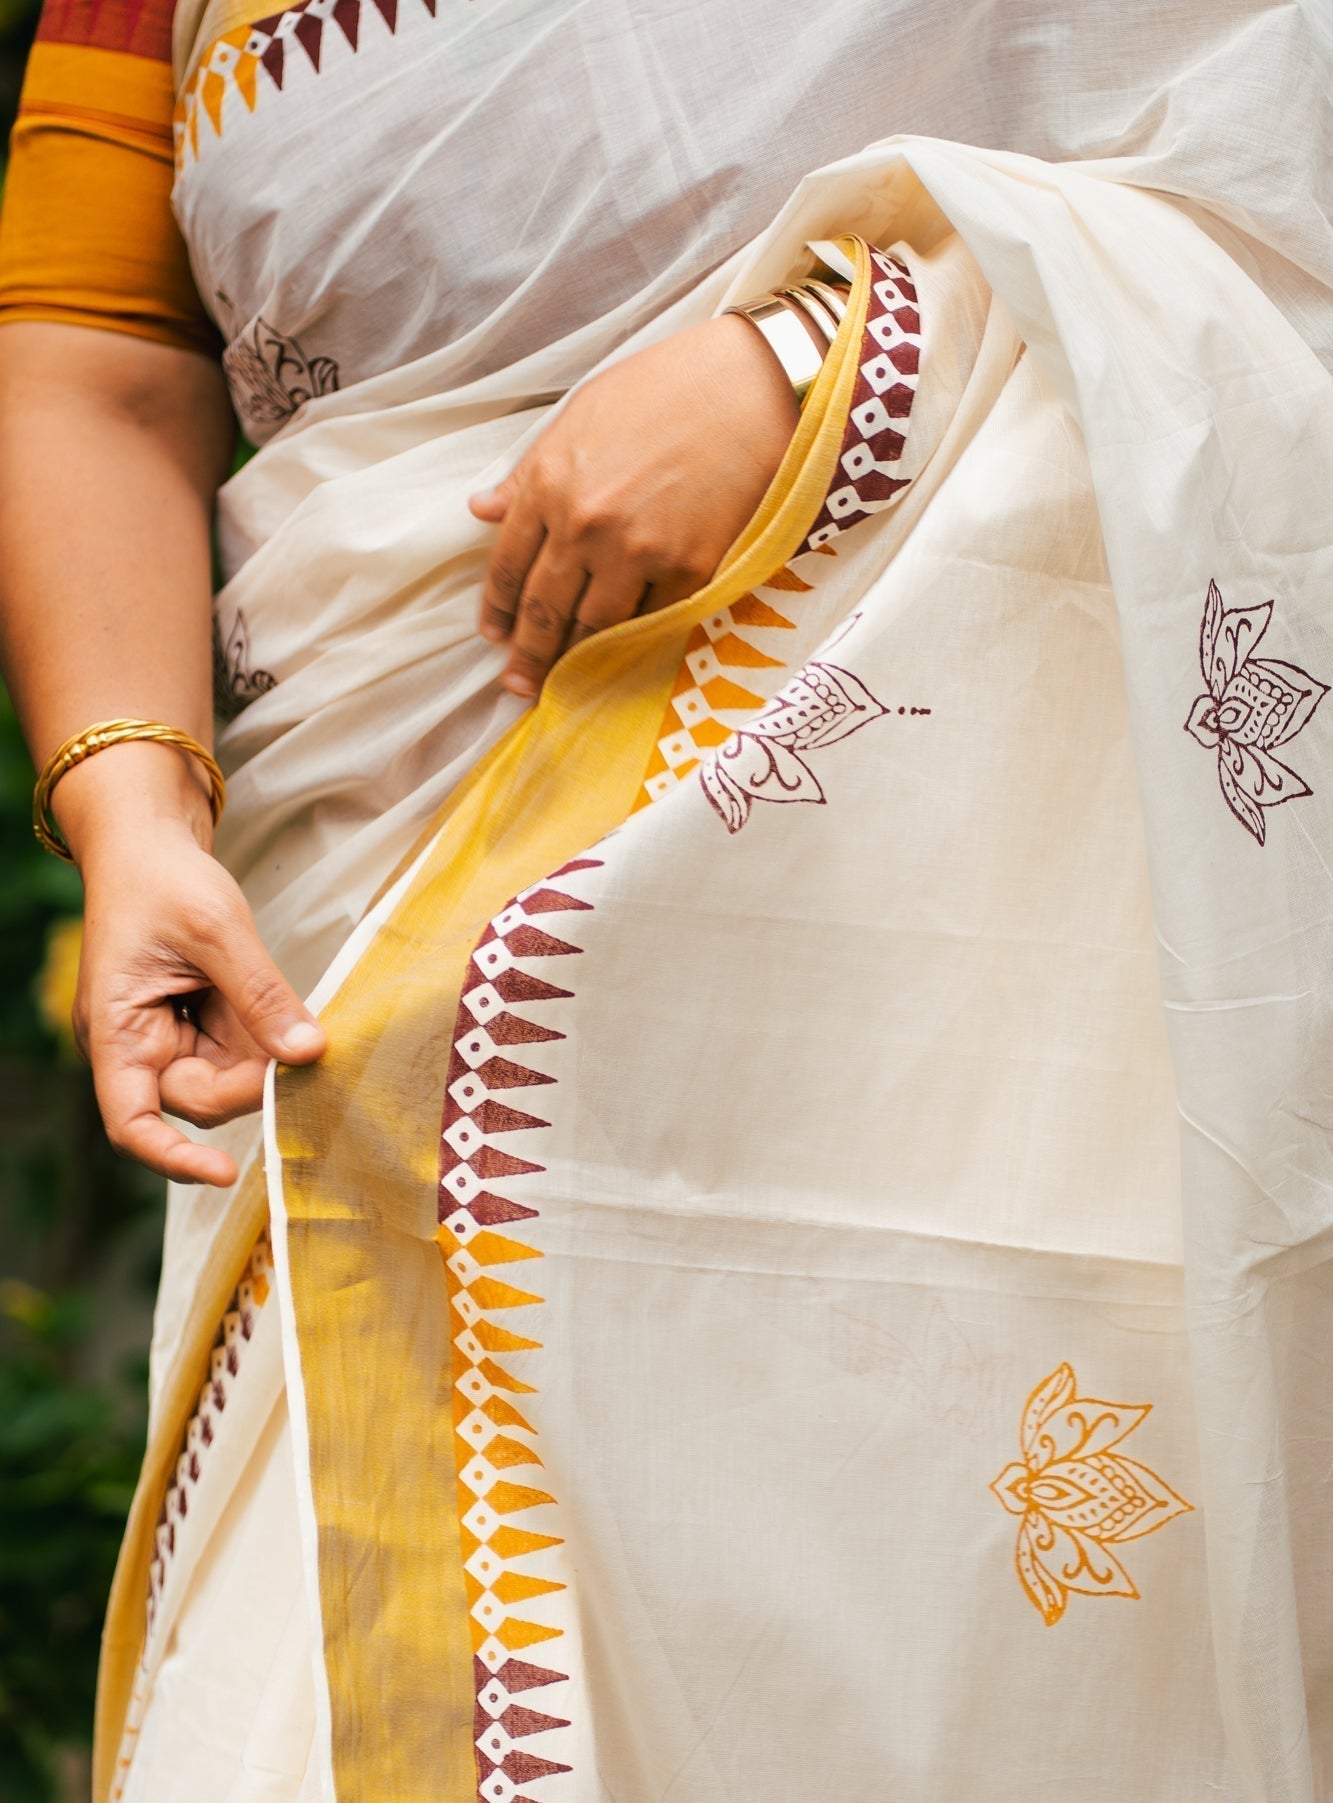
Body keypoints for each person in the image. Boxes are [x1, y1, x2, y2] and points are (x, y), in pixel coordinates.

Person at [1, 2, 1331, 1799]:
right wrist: (133, 800)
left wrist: (811, 356)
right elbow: (92, 353)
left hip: (942, 909)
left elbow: (1268, 122)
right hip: (365, 879)